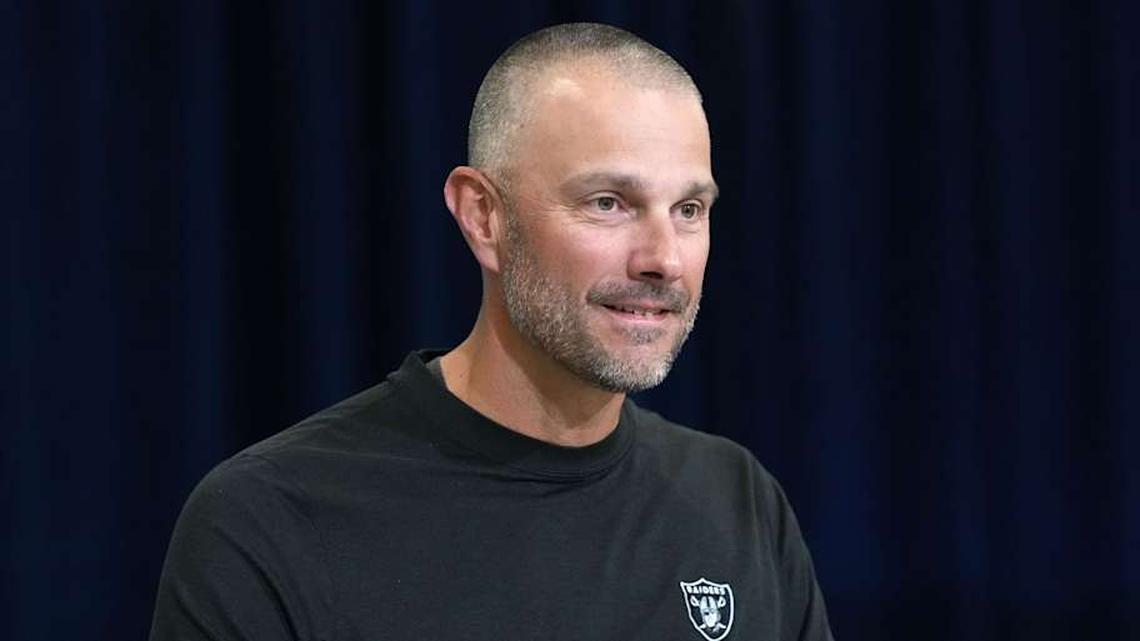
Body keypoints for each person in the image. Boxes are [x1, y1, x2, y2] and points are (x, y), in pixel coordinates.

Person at [150, 23, 834, 641]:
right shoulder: (266, 523)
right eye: (608, 203)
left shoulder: (738, 502)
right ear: (483, 217)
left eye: (689, 208)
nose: (664, 258)